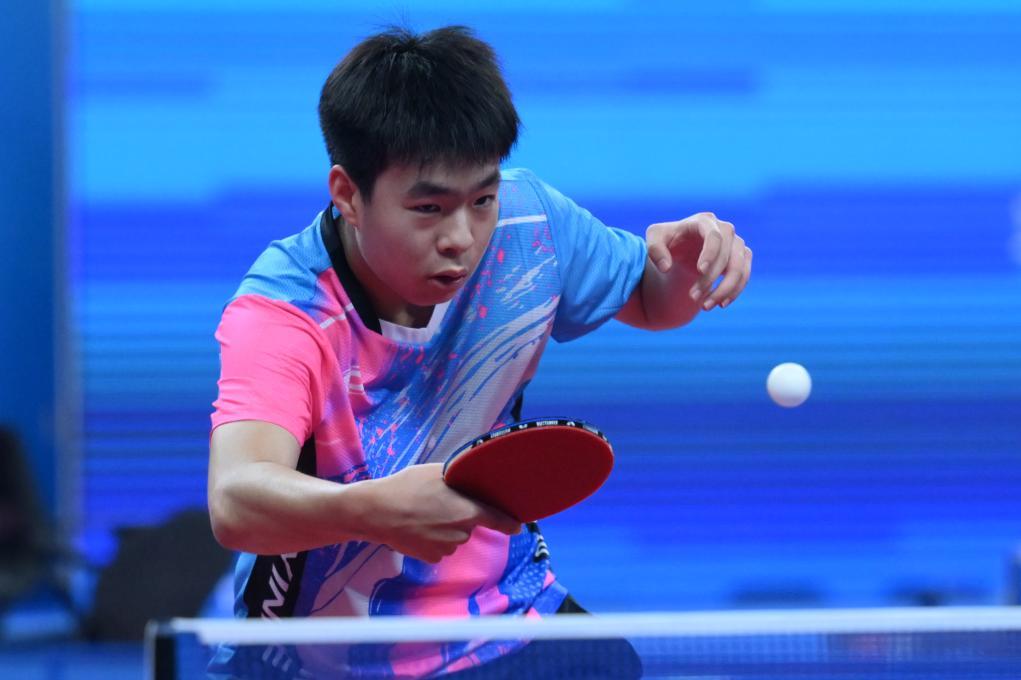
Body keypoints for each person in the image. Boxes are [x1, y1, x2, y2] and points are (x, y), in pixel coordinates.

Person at [207, 25, 751, 679]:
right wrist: (374, 510)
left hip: (503, 619)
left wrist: (686, 270)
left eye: (482, 199)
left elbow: (651, 300)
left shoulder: (530, 225)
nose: (462, 237)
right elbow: (236, 501)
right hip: (315, 659)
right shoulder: (288, 311)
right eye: (428, 208)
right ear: (348, 194)